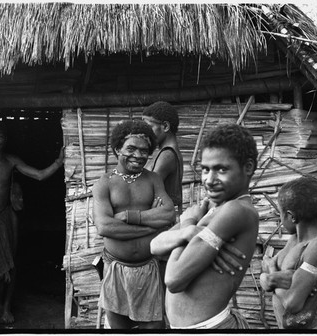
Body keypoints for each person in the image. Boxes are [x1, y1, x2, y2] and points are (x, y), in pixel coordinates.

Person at [150, 124, 259, 329]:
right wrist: (190, 233)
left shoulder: (236, 210)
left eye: (221, 169)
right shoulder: (212, 209)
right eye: (205, 169)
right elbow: (154, 246)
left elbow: (174, 279)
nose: (209, 180)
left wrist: (188, 223)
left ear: (248, 167)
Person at [92, 120, 176, 329]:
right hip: (116, 268)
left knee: (154, 327)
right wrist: (151, 226)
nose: (138, 155)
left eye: (144, 150)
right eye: (131, 148)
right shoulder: (105, 183)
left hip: (149, 267)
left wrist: (129, 216)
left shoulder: (153, 179)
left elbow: (168, 215)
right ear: (117, 148)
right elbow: (104, 227)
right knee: (120, 328)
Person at [0, 123, 64, 325]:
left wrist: (59, 162)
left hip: (8, 216)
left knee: (11, 263)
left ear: (5, 139)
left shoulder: (11, 160)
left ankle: (7, 308)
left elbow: (39, 175)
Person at [259, 177, 317, 329]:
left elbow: (292, 303)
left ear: (291, 216)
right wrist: (270, 278)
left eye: (280, 214)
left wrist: (272, 276)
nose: (280, 219)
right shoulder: (294, 240)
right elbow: (264, 270)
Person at [142, 101, 184, 215]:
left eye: (149, 127)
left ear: (165, 126)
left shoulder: (167, 155)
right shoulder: (166, 153)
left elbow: (146, 192)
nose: (146, 133)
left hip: (163, 220)